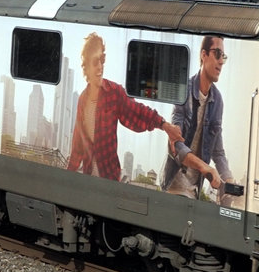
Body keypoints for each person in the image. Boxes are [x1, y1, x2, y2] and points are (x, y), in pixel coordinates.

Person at [67, 32, 182, 181]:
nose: (100, 67)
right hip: (88, 180)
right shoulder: (82, 100)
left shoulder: (113, 93)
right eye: (95, 62)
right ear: (86, 65)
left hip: (109, 179)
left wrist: (164, 125)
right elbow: (78, 146)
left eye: (102, 60)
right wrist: (66, 178)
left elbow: (137, 111)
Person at [163, 35, 237, 201]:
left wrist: (229, 179)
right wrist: (205, 167)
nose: (221, 62)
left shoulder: (217, 101)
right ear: (204, 55)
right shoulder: (184, 91)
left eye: (223, 56)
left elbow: (218, 151)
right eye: (217, 54)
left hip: (194, 192)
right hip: (173, 188)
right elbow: (176, 145)